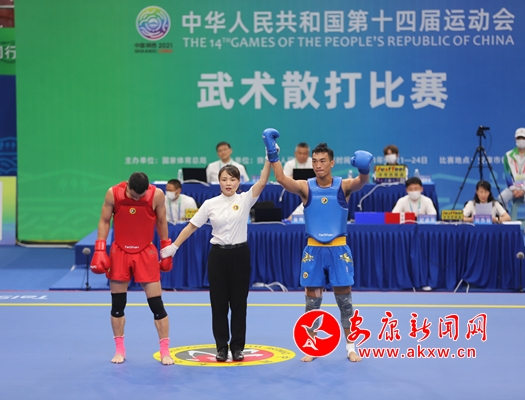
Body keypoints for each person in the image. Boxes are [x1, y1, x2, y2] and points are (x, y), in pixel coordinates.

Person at [266, 130, 372, 363]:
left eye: (322, 161)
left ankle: (351, 347)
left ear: (332, 163)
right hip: (313, 251)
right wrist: (272, 153)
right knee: (312, 302)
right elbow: (282, 179)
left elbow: (362, 181)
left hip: (338, 250)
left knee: (345, 302)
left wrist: (364, 169)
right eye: (314, 161)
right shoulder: (306, 187)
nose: (318, 165)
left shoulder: (343, 186)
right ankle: (311, 346)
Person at [162, 147, 272, 362]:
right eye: (224, 179)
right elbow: (191, 227)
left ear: (239, 181)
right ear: (218, 182)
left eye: (232, 179)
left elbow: (262, 181)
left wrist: (269, 158)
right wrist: (174, 246)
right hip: (218, 257)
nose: (228, 183)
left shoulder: (245, 199)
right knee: (219, 304)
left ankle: (237, 347)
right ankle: (221, 347)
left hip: (240, 255)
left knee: (239, 304)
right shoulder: (210, 204)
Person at [90, 172, 174, 365]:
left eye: (140, 196)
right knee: (117, 305)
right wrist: (100, 247)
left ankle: (165, 350)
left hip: (146, 252)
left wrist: (166, 248)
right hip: (120, 252)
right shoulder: (113, 193)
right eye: (133, 195)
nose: (136, 199)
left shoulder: (157, 195)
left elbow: (161, 221)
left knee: (157, 305)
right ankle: (119, 349)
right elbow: (104, 220)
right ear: (127, 185)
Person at [500, 127, 525, 235]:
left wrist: (524, 189)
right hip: (513, 187)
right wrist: (513, 188)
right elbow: (507, 174)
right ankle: (506, 222)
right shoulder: (508, 155)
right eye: (519, 138)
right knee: (501, 198)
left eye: (523, 138)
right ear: (515, 139)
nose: (521, 140)